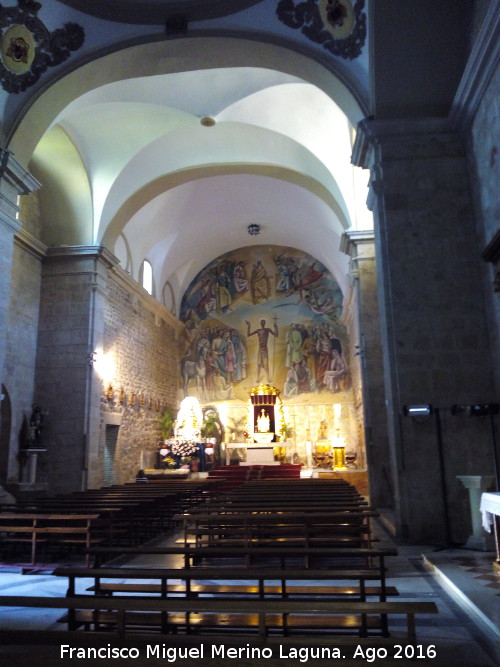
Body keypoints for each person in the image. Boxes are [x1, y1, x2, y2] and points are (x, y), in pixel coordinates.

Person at [245, 318, 278, 383]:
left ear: (264, 323)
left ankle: (268, 378)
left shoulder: (267, 330)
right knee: (259, 364)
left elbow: (276, 335)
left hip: (265, 349)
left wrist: (276, 327)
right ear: (260, 323)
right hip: (260, 349)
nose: (262, 323)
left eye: (263, 322)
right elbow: (248, 334)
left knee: (266, 364)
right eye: (262, 322)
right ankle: (257, 378)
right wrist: (249, 325)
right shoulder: (258, 330)